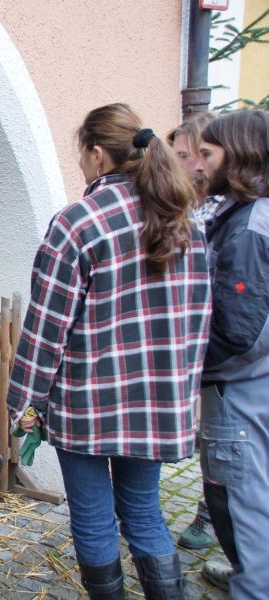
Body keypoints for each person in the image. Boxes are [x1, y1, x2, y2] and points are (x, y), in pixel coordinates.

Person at [6, 103, 211, 600]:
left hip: (88, 403)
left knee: (94, 519)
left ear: (97, 155)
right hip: (157, 399)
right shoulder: (184, 221)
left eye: (81, 153)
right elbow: (199, 319)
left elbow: (45, 328)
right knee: (144, 512)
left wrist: (26, 404)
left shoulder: (78, 222)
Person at [194, 108, 269, 597]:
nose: (199, 163)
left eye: (207, 153)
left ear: (238, 155)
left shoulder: (248, 229)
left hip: (238, 388)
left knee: (240, 501)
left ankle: (254, 583)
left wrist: (185, 366)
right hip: (253, 383)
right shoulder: (246, 214)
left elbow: (238, 331)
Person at [166, 112, 220, 552]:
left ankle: (212, 515)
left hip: (221, 348)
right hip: (195, 344)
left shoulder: (220, 213)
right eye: (179, 155)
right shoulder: (183, 208)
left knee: (225, 440)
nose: (184, 163)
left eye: (190, 154)